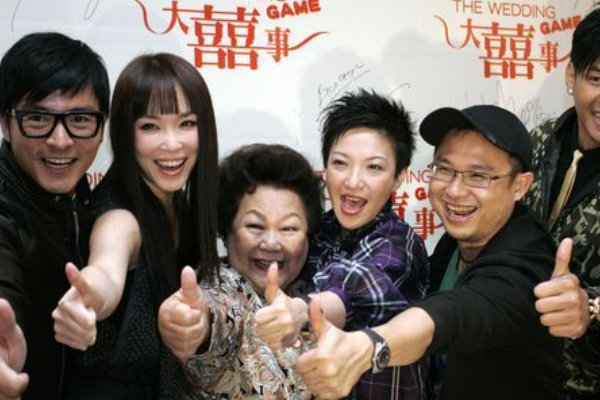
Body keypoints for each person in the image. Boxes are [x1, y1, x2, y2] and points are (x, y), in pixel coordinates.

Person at [296, 105, 566, 400]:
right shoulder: (458, 238)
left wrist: (369, 348)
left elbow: (452, 315)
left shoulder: (527, 259)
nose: (455, 190)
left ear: (520, 185)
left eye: (478, 176)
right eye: (445, 170)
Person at [50, 53, 220, 399]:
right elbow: (105, 270)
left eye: (186, 123)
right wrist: (88, 299)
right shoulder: (120, 218)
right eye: (150, 127)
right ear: (125, 134)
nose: (172, 143)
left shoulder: (179, 204)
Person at [256, 89, 429, 399]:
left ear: (399, 177)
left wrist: (300, 310)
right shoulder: (317, 230)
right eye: (340, 163)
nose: (352, 181)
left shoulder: (400, 243)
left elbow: (354, 288)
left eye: (374, 167)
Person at [158, 143, 322, 399]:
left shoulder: (315, 291)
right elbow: (217, 318)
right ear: (227, 230)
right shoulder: (221, 291)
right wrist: (194, 322)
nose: (271, 243)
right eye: (255, 226)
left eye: (289, 228)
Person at [0, 32, 109, 399]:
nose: (60, 141)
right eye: (37, 118)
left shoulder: (86, 198)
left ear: (102, 125)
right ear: (6, 123)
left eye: (79, 119)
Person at [525, 5, 600, 399]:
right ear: (572, 77)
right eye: (597, 78)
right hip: (519, 373)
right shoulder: (537, 142)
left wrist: (591, 309)